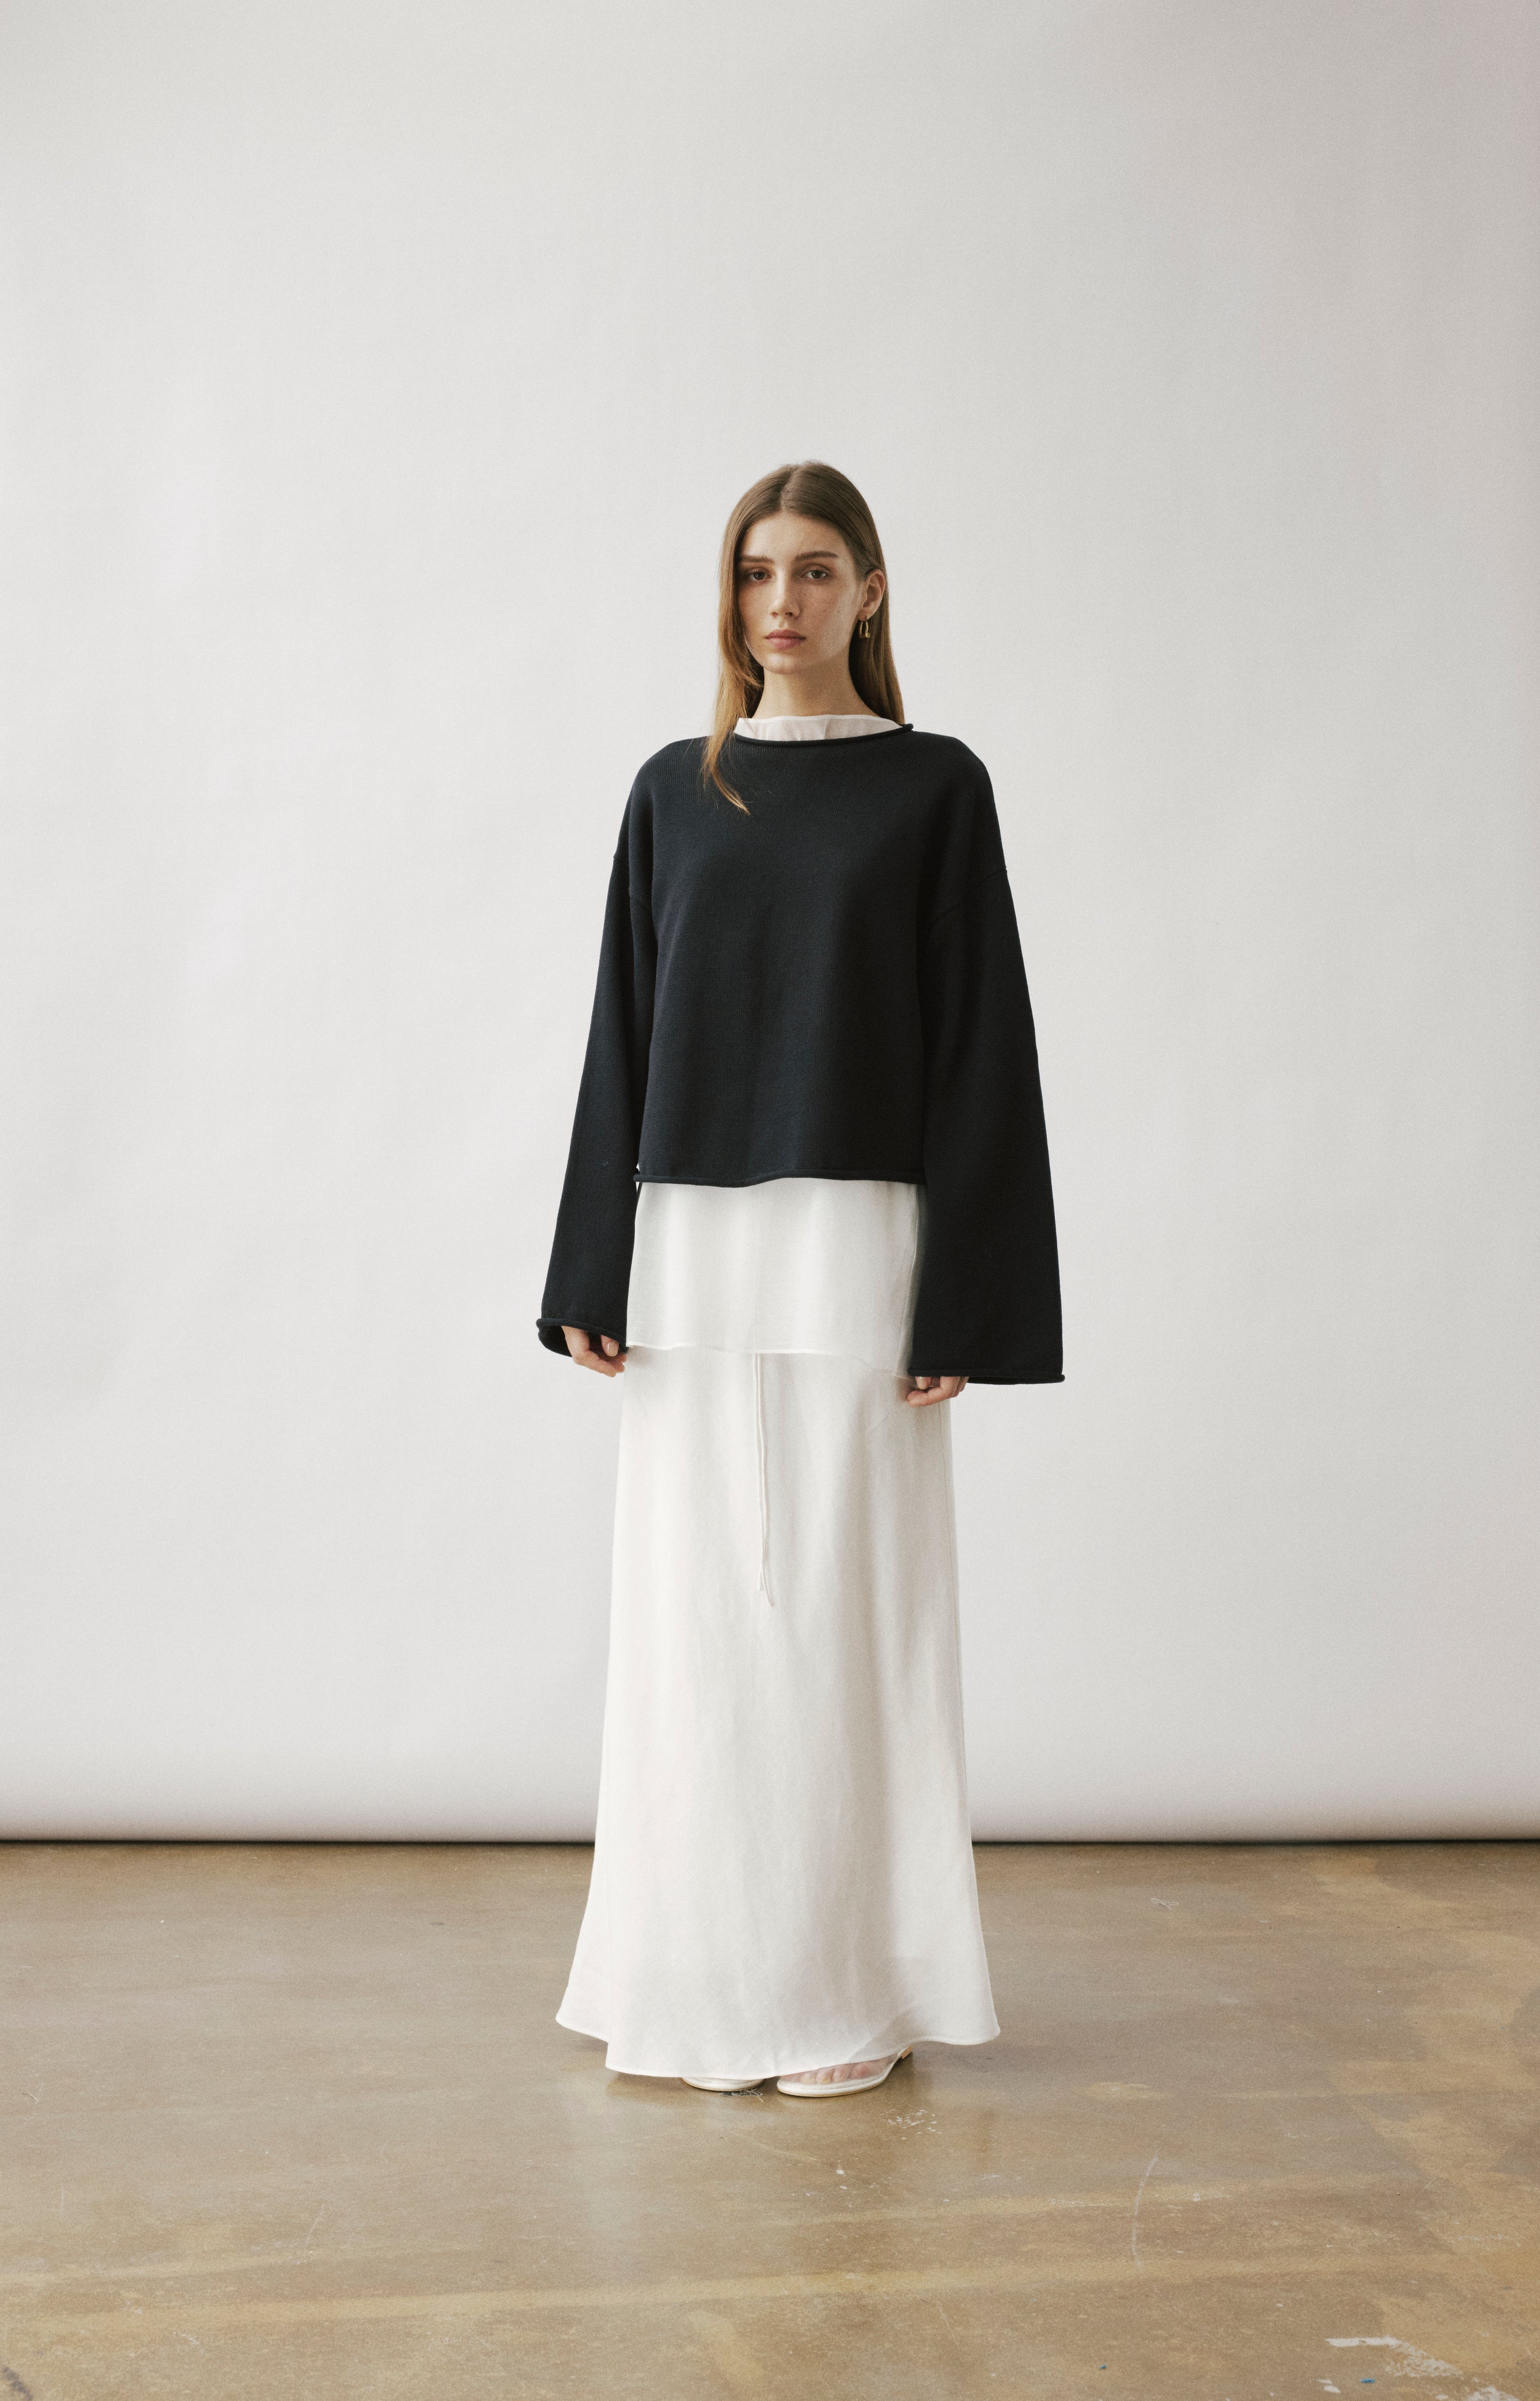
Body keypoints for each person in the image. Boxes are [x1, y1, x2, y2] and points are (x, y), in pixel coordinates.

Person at [537, 461, 1062, 2097]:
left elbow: (980, 1047)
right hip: (690, 1246)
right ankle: (692, 1974)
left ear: (867, 591)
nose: (783, 600)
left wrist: (969, 1297)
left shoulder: (935, 786)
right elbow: (622, 1029)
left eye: (816, 569)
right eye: (758, 571)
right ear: (731, 594)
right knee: (696, 1610)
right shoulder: (673, 790)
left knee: (845, 1606)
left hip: (860, 1239)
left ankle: (839, 1985)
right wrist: (589, 1262)